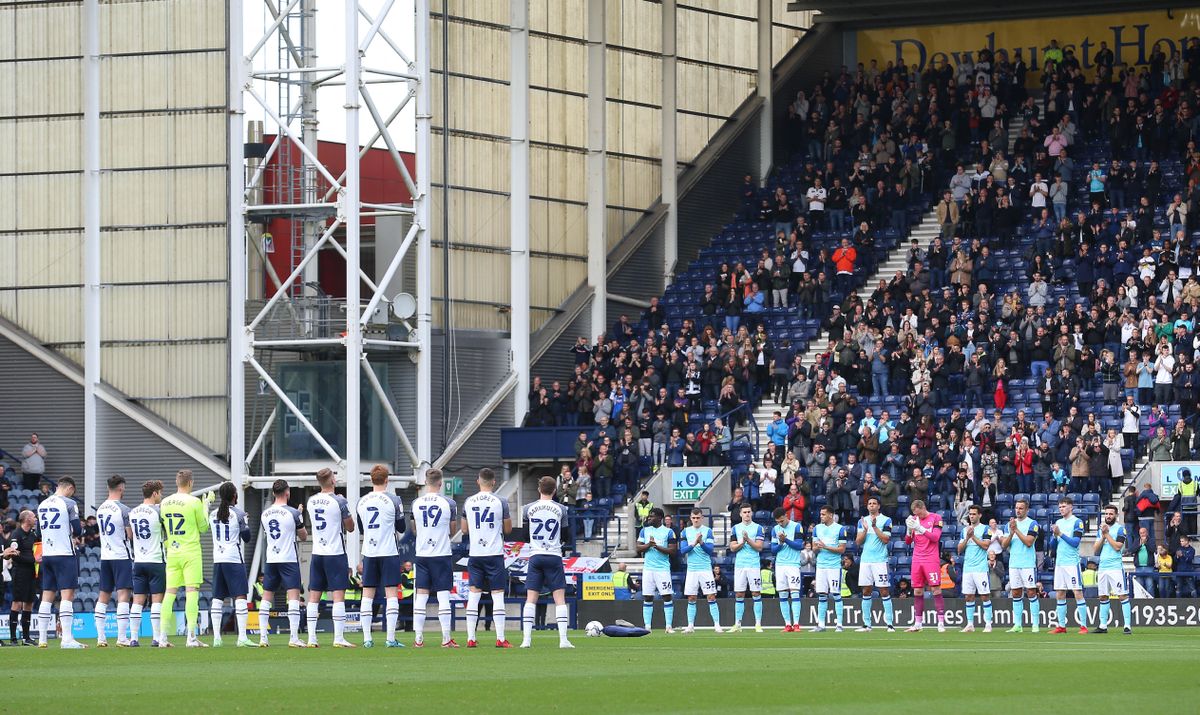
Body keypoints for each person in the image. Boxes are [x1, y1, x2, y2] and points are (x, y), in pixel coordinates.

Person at [462, 468, 513, 648]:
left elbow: (464, 529)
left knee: (474, 594)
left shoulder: (468, 501)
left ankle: (471, 638)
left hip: (475, 554)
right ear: (493, 482)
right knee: (497, 595)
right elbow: (508, 530)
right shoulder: (501, 501)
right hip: (494, 553)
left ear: (478, 481)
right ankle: (500, 638)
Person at [520, 475, 574, 648]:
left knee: (531, 599)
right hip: (554, 555)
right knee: (559, 598)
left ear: (539, 489)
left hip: (535, 555)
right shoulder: (561, 509)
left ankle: (526, 640)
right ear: (554, 491)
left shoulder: (528, 508)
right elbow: (566, 535)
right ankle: (563, 640)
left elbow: (525, 536)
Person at [356, 464, 406, 648]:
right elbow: (401, 528)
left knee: (367, 594)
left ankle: (367, 638)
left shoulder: (361, 501)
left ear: (371, 479)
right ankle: (390, 638)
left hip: (370, 552)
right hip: (389, 551)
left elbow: (362, 529)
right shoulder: (394, 499)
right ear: (387, 480)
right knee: (391, 593)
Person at [160, 469, 211, 647]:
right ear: (190, 483)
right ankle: (191, 636)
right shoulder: (194, 502)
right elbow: (204, 528)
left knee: (169, 593)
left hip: (173, 552)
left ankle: (163, 637)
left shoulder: (165, 502)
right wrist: (206, 507)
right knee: (192, 593)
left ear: (177, 481)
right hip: (190, 552)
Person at [305, 467, 354, 648]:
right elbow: (350, 527)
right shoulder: (339, 501)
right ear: (332, 480)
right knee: (338, 596)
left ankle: (311, 638)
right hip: (335, 553)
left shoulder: (311, 501)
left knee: (314, 596)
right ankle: (338, 638)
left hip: (317, 552)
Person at [411, 468, 459, 648]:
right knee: (443, 595)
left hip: (422, 554)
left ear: (425, 482)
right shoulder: (449, 503)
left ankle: (418, 639)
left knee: (421, 595)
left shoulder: (416, 502)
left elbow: (414, 528)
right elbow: (452, 530)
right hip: (441, 553)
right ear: (440, 483)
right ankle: (446, 638)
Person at [35, 476, 85, 648]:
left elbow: (37, 532)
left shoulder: (42, 504)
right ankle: (67, 639)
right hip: (64, 553)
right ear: (70, 488)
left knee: (46, 596)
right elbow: (78, 530)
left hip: (48, 554)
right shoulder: (69, 504)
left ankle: (42, 639)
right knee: (67, 595)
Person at [258, 479, 306, 648]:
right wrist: (299, 516)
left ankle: (263, 637)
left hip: (271, 558)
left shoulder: (265, 513)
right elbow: (303, 536)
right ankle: (293, 637)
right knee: (293, 596)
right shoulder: (293, 513)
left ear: (273, 493)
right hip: (288, 559)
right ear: (287, 492)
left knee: (266, 596)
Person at [208, 481, 252, 648]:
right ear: (235, 496)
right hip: (233, 559)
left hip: (218, 559)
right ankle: (242, 637)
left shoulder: (212, 514)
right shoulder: (239, 514)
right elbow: (247, 538)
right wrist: (245, 522)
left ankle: (217, 639)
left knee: (217, 599)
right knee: (240, 596)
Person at [95, 475, 134, 647]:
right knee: (123, 595)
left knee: (103, 595)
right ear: (121, 488)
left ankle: (101, 638)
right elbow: (130, 535)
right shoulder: (124, 510)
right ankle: (121, 637)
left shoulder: (100, 508)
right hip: (121, 556)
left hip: (106, 556)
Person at [127, 481, 166, 647]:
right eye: (160, 493)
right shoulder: (159, 511)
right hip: (156, 559)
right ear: (155, 493)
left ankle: (134, 638)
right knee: (157, 600)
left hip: (139, 561)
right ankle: (156, 638)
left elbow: (129, 535)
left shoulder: (132, 512)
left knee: (137, 601)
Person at [1000, 499, 1041, 633]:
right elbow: (1004, 546)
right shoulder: (1009, 525)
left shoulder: (1032, 524)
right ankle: (1018, 625)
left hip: (1027, 564)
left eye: (1021, 508)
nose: (1018, 510)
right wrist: (1011, 532)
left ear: (1027, 510)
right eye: (1016, 508)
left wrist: (1016, 530)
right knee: (1016, 592)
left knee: (1031, 592)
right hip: (1014, 563)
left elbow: (1029, 542)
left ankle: (1035, 624)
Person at [903, 500, 945, 632]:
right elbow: (908, 542)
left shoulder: (936, 518)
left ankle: (941, 622)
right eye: (915, 514)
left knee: (936, 589)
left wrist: (919, 528)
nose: (918, 516)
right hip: (917, 559)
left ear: (923, 508)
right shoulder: (914, 519)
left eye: (919, 513)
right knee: (917, 591)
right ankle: (918, 623)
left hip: (931, 558)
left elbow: (935, 537)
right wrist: (909, 530)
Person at [855, 496, 894, 632]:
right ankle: (867, 624)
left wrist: (874, 527)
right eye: (869, 504)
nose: (871, 505)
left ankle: (889, 624)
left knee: (883, 590)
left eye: (874, 503)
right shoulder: (862, 521)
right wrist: (865, 529)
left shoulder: (886, 520)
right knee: (866, 591)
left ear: (878, 506)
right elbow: (858, 542)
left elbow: (885, 539)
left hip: (880, 560)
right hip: (866, 560)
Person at [680, 508, 722, 633]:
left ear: (702, 518)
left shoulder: (708, 531)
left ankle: (717, 625)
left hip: (705, 569)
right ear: (690, 518)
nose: (696, 520)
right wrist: (694, 543)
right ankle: (690, 625)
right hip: (692, 569)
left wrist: (701, 542)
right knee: (691, 598)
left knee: (711, 597)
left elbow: (710, 550)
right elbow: (682, 550)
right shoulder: (685, 532)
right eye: (693, 518)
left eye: (698, 518)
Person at [1050, 496, 1088, 634]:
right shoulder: (1058, 522)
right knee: (1060, 593)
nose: (1061, 509)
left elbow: (1075, 542)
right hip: (1060, 563)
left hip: (1072, 563)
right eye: (1060, 506)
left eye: (1064, 506)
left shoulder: (1077, 522)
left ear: (1071, 507)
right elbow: (1052, 545)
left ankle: (1083, 626)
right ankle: (1061, 626)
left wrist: (1060, 533)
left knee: (1077, 592)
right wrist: (1055, 536)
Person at [636, 507, 677, 632]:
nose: (649, 518)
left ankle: (668, 626)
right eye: (649, 516)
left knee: (667, 596)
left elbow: (673, 551)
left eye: (652, 516)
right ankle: (647, 627)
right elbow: (638, 548)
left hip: (662, 570)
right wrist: (648, 545)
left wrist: (657, 547)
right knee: (648, 597)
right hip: (648, 569)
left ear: (660, 518)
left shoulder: (669, 532)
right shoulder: (644, 531)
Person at [1093, 505, 1132, 635]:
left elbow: (1117, 547)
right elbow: (1095, 549)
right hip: (1103, 567)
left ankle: (1127, 626)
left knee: (1122, 595)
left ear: (1116, 515)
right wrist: (1103, 536)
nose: (1108, 516)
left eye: (1111, 514)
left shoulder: (1120, 529)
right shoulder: (1101, 530)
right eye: (1106, 514)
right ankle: (1103, 625)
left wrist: (1106, 534)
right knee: (1103, 596)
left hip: (1115, 567)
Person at [728, 503, 765, 632]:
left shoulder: (758, 528)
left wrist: (748, 540)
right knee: (739, 594)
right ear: (740, 514)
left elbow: (759, 547)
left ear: (752, 513)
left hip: (753, 565)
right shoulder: (735, 528)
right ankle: (738, 624)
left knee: (756, 593)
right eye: (744, 512)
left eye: (749, 512)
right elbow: (732, 547)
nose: (747, 514)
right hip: (740, 565)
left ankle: (758, 624)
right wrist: (742, 542)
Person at [957, 505, 994, 633]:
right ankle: (970, 624)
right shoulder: (964, 530)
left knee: (984, 596)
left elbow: (986, 545)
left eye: (974, 514)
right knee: (968, 596)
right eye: (970, 514)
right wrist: (967, 537)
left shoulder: (986, 529)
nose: (971, 516)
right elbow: (959, 550)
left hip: (980, 568)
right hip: (968, 568)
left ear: (979, 515)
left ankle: (988, 624)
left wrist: (973, 537)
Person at [4, 509, 38, 645]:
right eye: (33, 517)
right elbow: (13, 555)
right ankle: (13, 638)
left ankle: (26, 637)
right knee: (17, 602)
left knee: (29, 602)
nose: (35, 519)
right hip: (20, 572)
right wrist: (33, 560)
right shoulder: (16, 534)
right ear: (26, 519)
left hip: (31, 572)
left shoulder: (33, 534)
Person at [811, 505, 847, 633]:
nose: (821, 516)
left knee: (836, 594)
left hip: (834, 567)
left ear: (830, 515)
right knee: (822, 595)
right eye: (820, 514)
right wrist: (817, 547)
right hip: (821, 566)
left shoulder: (840, 529)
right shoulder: (817, 529)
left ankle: (839, 625)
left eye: (823, 514)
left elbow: (842, 550)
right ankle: (821, 624)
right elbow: (814, 548)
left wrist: (825, 547)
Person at [771, 506, 805, 633]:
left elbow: (799, 545)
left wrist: (785, 540)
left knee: (795, 593)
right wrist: (780, 543)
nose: (780, 524)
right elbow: (773, 550)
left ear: (786, 516)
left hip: (793, 564)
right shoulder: (775, 529)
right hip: (780, 565)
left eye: (781, 521)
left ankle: (796, 624)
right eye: (778, 522)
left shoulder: (797, 527)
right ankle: (787, 624)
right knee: (783, 595)